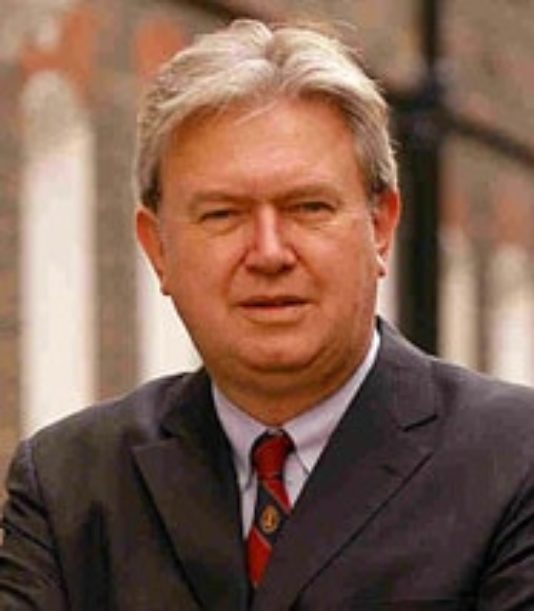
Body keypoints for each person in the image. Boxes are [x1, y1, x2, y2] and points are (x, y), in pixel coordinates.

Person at [2, 18, 534, 611]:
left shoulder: (515, 461)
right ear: (158, 250)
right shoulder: (69, 486)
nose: (269, 252)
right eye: (222, 215)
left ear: (381, 228)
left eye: (308, 207)